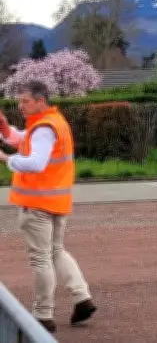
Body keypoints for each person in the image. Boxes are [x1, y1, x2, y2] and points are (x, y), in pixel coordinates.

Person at [0, 80, 96, 333]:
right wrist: (4, 130)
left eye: (25, 101)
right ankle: (82, 297)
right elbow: (23, 139)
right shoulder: (53, 122)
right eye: (19, 101)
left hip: (37, 204)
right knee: (56, 251)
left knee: (41, 258)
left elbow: (34, 162)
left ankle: (43, 314)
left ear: (40, 100)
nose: (20, 106)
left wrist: (5, 159)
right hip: (56, 202)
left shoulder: (43, 128)